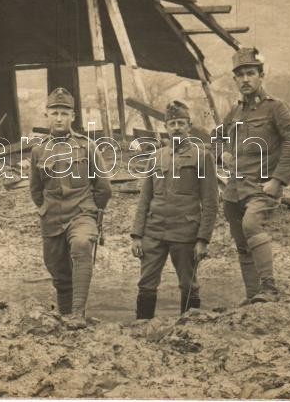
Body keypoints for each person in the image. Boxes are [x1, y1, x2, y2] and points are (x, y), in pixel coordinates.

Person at [218, 47, 290, 304]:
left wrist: (278, 181)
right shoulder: (235, 113)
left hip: (261, 186)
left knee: (251, 225)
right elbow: (217, 138)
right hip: (234, 190)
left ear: (261, 76)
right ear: (234, 80)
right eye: (240, 75)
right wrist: (223, 152)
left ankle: (269, 288)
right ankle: (253, 296)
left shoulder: (276, 108)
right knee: (241, 241)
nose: (245, 79)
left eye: (250, 73)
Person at [29, 87, 112, 329]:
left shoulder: (87, 147)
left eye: (64, 113)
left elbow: (103, 187)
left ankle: (78, 314)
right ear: (46, 114)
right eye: (54, 113)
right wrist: (47, 207)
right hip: (52, 217)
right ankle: (65, 317)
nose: (59, 118)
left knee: (82, 244)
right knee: (58, 269)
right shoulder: (38, 150)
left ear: (73, 116)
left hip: (81, 213)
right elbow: (35, 190)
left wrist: (93, 213)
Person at [131, 101, 218, 319]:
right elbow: (144, 199)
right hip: (154, 230)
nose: (176, 127)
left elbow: (210, 202)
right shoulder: (156, 157)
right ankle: (142, 328)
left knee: (188, 284)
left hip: (185, 232)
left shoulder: (202, 156)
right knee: (146, 283)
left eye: (181, 123)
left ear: (189, 126)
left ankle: (189, 329)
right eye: (172, 123)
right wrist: (137, 235)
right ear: (166, 127)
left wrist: (203, 239)